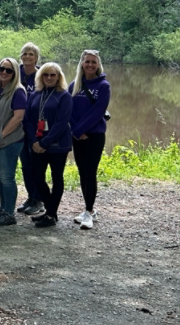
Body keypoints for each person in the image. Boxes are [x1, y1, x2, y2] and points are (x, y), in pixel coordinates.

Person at [24, 63, 73, 228]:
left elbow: (62, 123)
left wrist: (44, 142)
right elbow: (28, 120)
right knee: (37, 177)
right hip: (37, 144)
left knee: (56, 178)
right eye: (46, 75)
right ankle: (50, 211)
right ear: (41, 77)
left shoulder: (64, 96)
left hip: (58, 145)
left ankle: (51, 214)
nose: (49, 78)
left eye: (53, 75)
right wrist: (34, 142)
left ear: (59, 77)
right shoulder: (35, 94)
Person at [68, 50, 110, 230]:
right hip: (78, 136)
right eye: (87, 62)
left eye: (94, 62)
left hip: (94, 135)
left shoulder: (103, 86)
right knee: (82, 172)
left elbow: (98, 111)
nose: (90, 65)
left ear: (98, 64)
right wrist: (77, 132)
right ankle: (87, 209)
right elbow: (68, 110)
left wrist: (80, 130)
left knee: (90, 172)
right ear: (82, 64)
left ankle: (89, 211)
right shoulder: (74, 85)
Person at [0, 57, 26, 226]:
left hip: (8, 142)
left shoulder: (18, 91)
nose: (4, 72)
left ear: (15, 73)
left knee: (7, 178)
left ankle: (9, 214)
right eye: (2, 68)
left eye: (9, 70)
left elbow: (18, 117)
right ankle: (2, 209)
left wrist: (1, 135)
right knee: (0, 177)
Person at [18, 42, 44, 216]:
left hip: (36, 128)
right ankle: (30, 197)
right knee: (25, 165)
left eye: (31, 54)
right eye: (25, 54)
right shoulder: (15, 73)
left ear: (36, 58)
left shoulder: (42, 75)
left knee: (36, 165)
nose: (27, 57)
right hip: (19, 126)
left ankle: (39, 199)